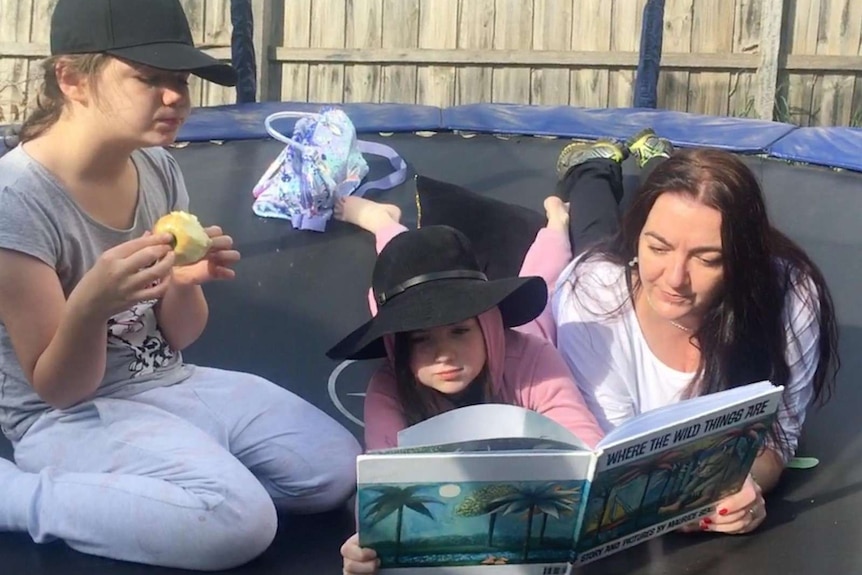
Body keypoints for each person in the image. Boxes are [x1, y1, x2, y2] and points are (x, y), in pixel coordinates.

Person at [0, 0, 360, 570]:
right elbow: (59, 390)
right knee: (240, 523)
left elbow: (179, 338)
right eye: (149, 79)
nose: (176, 98)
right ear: (71, 79)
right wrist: (90, 307)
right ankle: (16, 496)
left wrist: (186, 284)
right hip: (66, 417)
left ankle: (167, 488)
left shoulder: (156, 168)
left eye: (181, 81)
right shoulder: (16, 200)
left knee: (335, 470)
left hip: (165, 385)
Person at [552, 130, 840, 535]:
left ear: (743, 260)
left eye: (706, 259)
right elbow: (614, 459)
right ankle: (590, 168)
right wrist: (685, 500)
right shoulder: (593, 294)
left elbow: (779, 436)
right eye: (658, 247)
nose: (675, 279)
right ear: (639, 238)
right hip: (606, 267)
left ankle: (659, 158)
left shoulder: (790, 296)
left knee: (690, 203)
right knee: (589, 232)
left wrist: (743, 485)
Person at [328, 195, 605, 574]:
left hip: (521, 336)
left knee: (548, 273)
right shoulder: (389, 388)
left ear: (488, 325)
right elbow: (382, 493)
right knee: (395, 285)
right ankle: (383, 222)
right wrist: (367, 549)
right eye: (422, 339)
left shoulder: (533, 358)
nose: (444, 354)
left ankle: (555, 223)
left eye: (460, 331)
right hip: (406, 311)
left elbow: (589, 452)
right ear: (400, 347)